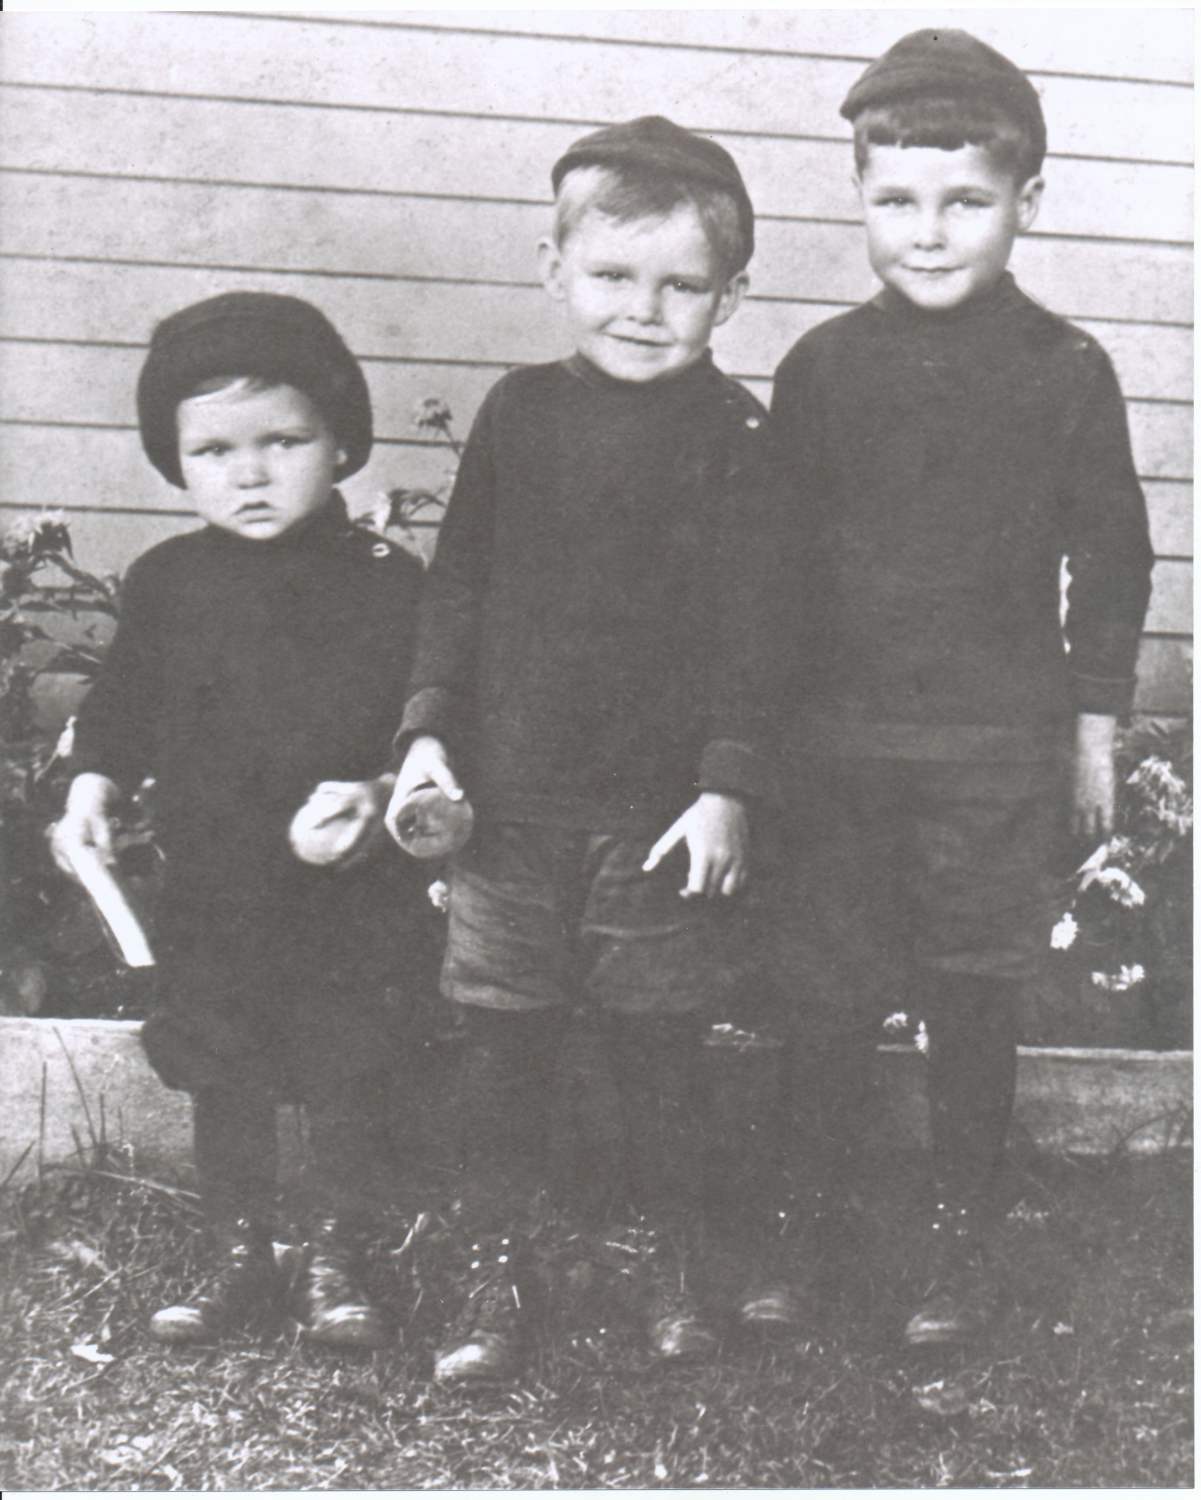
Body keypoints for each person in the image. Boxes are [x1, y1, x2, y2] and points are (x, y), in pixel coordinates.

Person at [751, 29, 1154, 1345]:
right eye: (895, 201)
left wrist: (1090, 733)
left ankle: (957, 1242)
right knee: (821, 996)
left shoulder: (1064, 370)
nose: (927, 234)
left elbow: (1110, 558)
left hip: (993, 747)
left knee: (972, 996)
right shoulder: (819, 370)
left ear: (1024, 203)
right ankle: (815, 1233)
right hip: (837, 751)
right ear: (860, 198)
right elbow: (773, 568)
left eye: (965, 201)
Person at [386, 115, 790, 1382]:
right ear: (550, 266)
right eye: (613, 275)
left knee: (656, 1042)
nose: (641, 308)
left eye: (680, 285)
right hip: (511, 805)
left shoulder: (737, 435)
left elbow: (757, 633)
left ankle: (668, 1257)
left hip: (659, 812)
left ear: (733, 294)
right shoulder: (518, 415)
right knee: (500, 1040)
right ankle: (494, 1268)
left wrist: (726, 786)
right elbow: (456, 592)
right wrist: (426, 743)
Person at [51, 292, 430, 1349]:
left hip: (348, 888)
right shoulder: (172, 582)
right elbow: (120, 706)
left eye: (284, 441)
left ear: (342, 441)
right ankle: (239, 1251)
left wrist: (372, 791)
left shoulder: (383, 581)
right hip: (217, 884)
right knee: (225, 1062)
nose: (251, 473)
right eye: (213, 450)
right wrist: (91, 786)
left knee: (348, 1060)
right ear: (175, 461)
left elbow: (426, 718)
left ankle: (338, 1254)